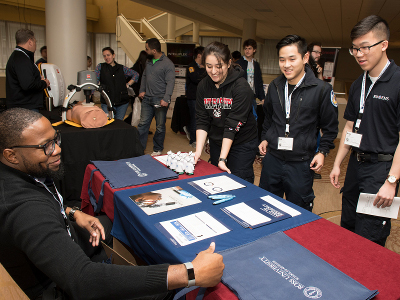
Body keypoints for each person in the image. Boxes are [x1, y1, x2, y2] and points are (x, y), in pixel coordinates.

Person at [0, 108, 225, 300]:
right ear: (11, 155)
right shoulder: (26, 210)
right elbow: (82, 280)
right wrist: (189, 273)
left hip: (64, 241)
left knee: (124, 218)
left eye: (55, 139)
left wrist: (71, 212)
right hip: (58, 287)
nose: (57, 149)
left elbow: (48, 206)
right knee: (164, 291)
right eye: (45, 146)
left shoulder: (21, 173)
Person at [329, 15, 400, 246]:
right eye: (355, 49)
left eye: (365, 47)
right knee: (348, 228)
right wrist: (338, 163)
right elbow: (350, 125)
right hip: (356, 167)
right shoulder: (359, 83)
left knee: (370, 236)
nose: (359, 54)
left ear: (384, 45)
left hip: (381, 170)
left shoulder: (398, 81)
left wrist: (392, 181)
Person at [258, 35, 338, 212]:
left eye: (292, 59)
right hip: (273, 160)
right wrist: (265, 137)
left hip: (301, 164)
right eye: (282, 59)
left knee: (299, 213)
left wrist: (323, 151)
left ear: (305, 58)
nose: (286, 65)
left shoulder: (322, 90)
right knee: (266, 208)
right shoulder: (275, 86)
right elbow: (269, 118)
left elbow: (330, 128)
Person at [194, 41, 258, 183]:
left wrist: (223, 159)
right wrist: (198, 152)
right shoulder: (203, 86)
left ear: (229, 63)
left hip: (241, 142)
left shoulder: (241, 87)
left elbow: (232, 124)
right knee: (217, 180)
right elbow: (202, 119)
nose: (214, 71)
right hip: (217, 139)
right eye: (209, 66)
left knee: (238, 181)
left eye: (219, 66)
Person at [138, 38, 176, 156]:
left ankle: (158, 149)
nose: (145, 50)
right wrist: (142, 90)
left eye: (147, 49)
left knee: (159, 126)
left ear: (154, 50)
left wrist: (166, 99)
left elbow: (171, 82)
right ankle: (139, 149)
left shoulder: (168, 63)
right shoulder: (148, 61)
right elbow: (144, 76)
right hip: (147, 99)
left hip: (160, 100)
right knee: (142, 125)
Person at [6, 28, 50, 112]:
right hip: (25, 108)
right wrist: (44, 83)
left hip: (23, 106)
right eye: (35, 42)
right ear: (30, 42)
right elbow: (28, 85)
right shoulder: (21, 59)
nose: (35, 45)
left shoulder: (20, 56)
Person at [95, 47, 139, 120]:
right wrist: (89, 95)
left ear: (113, 55)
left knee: (119, 124)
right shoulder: (100, 67)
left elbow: (136, 74)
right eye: (104, 56)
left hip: (122, 103)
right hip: (107, 102)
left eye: (108, 55)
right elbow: (95, 81)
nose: (106, 57)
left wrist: (128, 84)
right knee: (108, 122)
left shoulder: (122, 68)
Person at [236, 39, 265, 119]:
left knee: (253, 119)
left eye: (249, 48)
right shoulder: (239, 64)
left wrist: (262, 97)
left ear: (254, 50)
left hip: (252, 97)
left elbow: (259, 82)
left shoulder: (256, 65)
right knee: (241, 118)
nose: (247, 51)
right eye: (245, 48)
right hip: (241, 96)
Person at [186, 46, 206, 148]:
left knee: (201, 119)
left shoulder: (204, 67)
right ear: (199, 55)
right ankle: (193, 140)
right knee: (195, 119)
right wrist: (204, 71)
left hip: (202, 97)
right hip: (193, 97)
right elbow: (196, 79)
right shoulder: (191, 66)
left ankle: (189, 130)